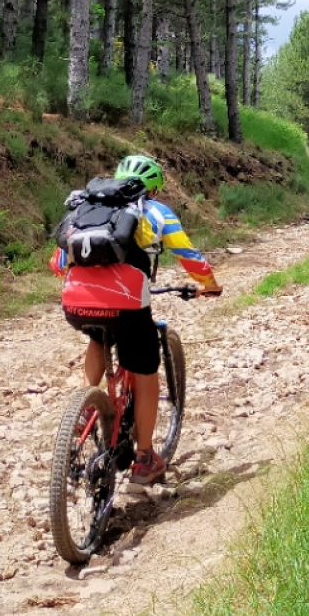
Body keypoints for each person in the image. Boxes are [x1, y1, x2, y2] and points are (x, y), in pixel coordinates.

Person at [49, 154, 221, 484]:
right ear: (154, 189)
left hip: (77, 304)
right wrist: (209, 285)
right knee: (145, 371)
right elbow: (189, 256)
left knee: (98, 337)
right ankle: (144, 458)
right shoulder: (156, 212)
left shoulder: (89, 207)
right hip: (128, 306)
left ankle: (85, 409)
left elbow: (58, 263)